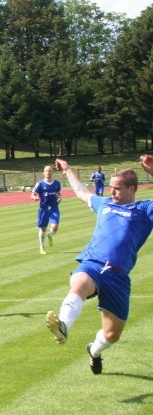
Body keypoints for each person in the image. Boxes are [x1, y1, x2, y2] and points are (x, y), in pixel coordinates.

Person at [46, 156, 153, 375]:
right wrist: (66, 169)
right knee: (79, 284)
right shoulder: (104, 204)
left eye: (117, 189)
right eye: (111, 187)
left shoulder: (144, 210)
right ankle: (63, 326)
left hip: (119, 276)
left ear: (132, 189)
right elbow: (82, 193)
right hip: (93, 264)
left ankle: (94, 351)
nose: (111, 192)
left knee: (112, 335)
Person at [31, 165, 61, 255]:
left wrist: (59, 198)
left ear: (52, 172)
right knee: (43, 229)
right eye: (46, 171)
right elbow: (32, 194)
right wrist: (34, 197)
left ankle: (50, 235)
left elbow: (59, 194)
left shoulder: (57, 183)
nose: (48, 172)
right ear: (44, 173)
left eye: (50, 171)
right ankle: (42, 247)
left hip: (54, 208)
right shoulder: (40, 184)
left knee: (55, 226)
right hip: (43, 209)